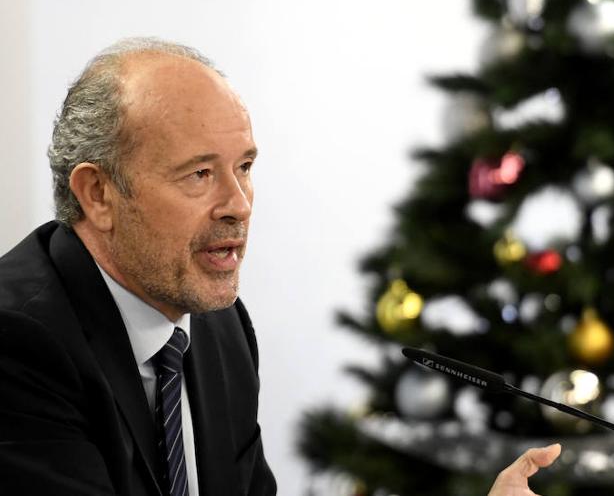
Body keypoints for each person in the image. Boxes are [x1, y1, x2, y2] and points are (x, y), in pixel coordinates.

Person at [0, 38, 560, 495]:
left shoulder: (219, 328)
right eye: (199, 174)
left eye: (244, 167)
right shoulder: (19, 343)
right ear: (98, 194)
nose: (238, 204)